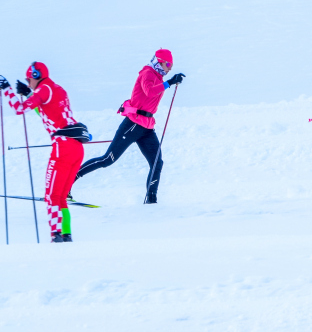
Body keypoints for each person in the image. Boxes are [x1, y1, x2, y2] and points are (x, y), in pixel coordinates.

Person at [75, 50, 185, 204]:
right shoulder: (147, 73)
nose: (169, 69)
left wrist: (169, 82)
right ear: (159, 61)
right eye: (168, 64)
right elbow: (149, 91)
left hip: (146, 127)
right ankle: (69, 182)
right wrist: (169, 83)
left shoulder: (158, 77)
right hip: (132, 124)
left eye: (171, 66)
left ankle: (151, 201)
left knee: (157, 163)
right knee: (107, 160)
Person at [0, 63, 90, 243]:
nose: (28, 82)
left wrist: (6, 88)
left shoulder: (44, 89)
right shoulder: (57, 89)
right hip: (77, 149)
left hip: (62, 147)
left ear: (35, 75)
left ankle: (55, 237)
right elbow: (47, 114)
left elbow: (19, 109)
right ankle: (66, 235)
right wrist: (28, 93)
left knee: (52, 197)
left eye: (29, 79)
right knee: (61, 197)